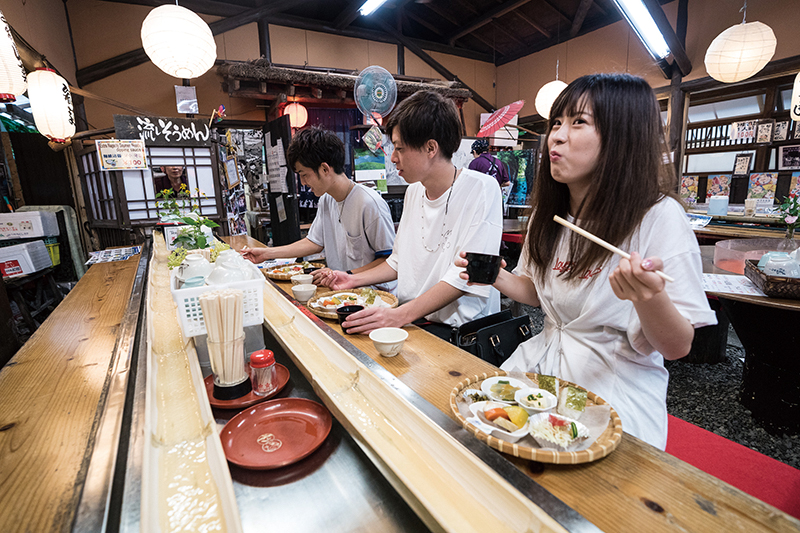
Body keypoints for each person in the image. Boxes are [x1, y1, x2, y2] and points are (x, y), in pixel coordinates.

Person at [456, 74, 716, 449]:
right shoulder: (550, 213)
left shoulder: (658, 217)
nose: (557, 137)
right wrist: (497, 276)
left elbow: (678, 346)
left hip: (612, 391)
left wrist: (649, 298)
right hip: (543, 374)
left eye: (578, 122)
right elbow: (536, 291)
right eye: (556, 123)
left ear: (622, 135)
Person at [318, 90, 503, 338]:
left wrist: (399, 315)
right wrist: (352, 279)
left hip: (461, 333)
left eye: (399, 148)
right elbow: (398, 261)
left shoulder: (481, 188)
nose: (393, 158)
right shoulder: (414, 191)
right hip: (414, 322)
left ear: (430, 148)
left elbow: (466, 277)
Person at [241, 127, 396, 292]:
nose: (303, 182)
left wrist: (347, 275)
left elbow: (389, 260)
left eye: (304, 174)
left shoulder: (369, 203)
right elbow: (314, 242)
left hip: (375, 295)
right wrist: (266, 254)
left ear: (324, 169)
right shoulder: (326, 200)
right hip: (341, 292)